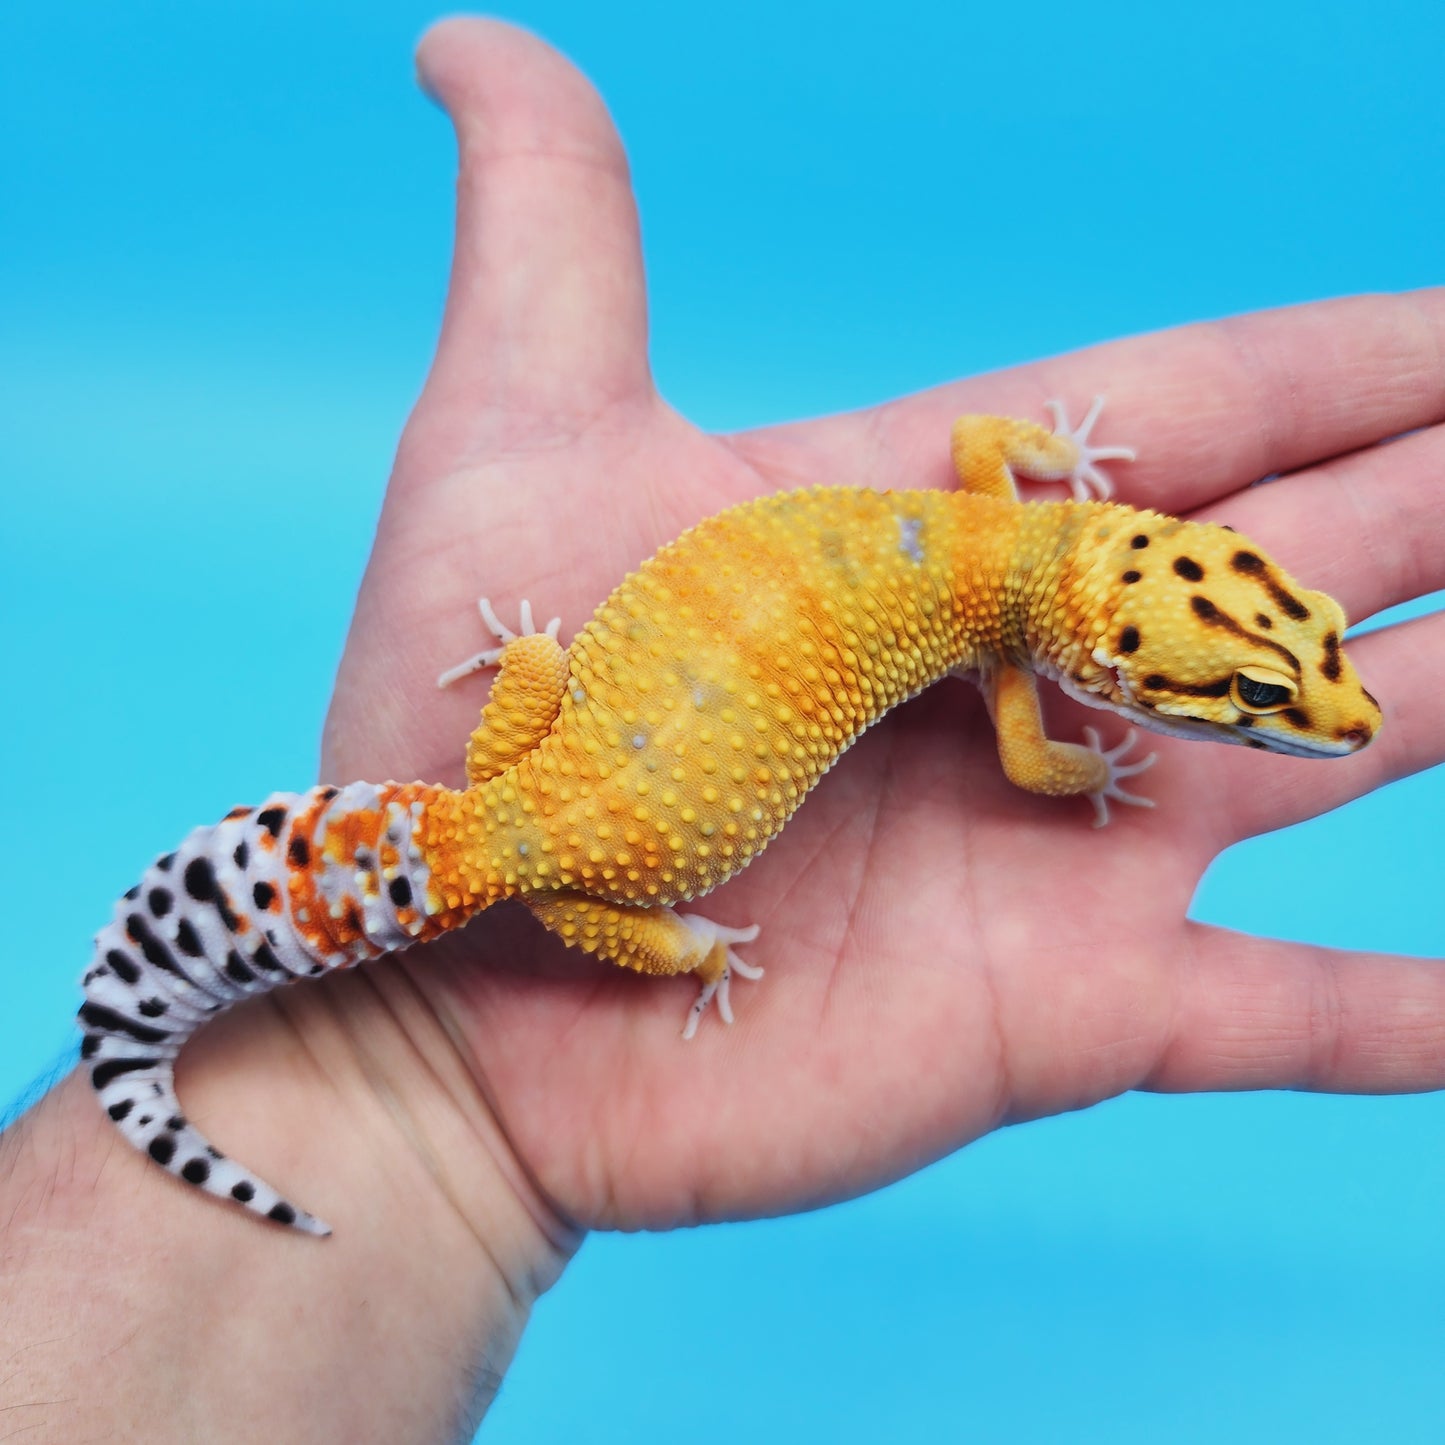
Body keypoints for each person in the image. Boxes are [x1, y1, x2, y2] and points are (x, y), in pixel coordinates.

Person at [3, 17, 1442, 1441]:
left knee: (590, 818)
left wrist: (534, 666)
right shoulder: (1017, 681)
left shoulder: (991, 515)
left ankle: (209, 986)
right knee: (681, 923)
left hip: (529, 758)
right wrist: (1086, 773)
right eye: (1256, 693)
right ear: (1109, 655)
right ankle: (204, 1025)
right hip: (581, 860)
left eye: (1280, 668)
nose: (1309, 703)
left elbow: (984, 441)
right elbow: (1034, 755)